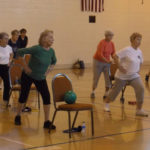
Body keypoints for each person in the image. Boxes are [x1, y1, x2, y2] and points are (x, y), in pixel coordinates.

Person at [14, 30, 57, 129]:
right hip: (28, 75)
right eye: (50, 37)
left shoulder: (51, 51)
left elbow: (54, 61)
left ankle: (46, 122)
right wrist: (25, 66)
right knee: (24, 95)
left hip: (41, 78)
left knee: (46, 97)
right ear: (44, 38)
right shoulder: (36, 49)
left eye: (52, 37)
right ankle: (18, 116)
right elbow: (19, 52)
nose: (53, 39)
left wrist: (47, 72)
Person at [104, 33, 148, 116]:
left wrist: (138, 70)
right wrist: (119, 66)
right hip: (122, 77)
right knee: (114, 93)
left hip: (134, 76)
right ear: (132, 40)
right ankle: (106, 103)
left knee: (141, 89)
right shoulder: (127, 50)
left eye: (140, 39)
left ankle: (139, 110)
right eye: (138, 39)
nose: (139, 41)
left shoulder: (139, 51)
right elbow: (115, 56)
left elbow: (140, 62)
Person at [91, 30, 116, 111]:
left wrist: (115, 59)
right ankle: (93, 91)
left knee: (108, 78)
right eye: (110, 35)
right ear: (106, 36)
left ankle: (106, 93)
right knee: (96, 78)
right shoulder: (102, 43)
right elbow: (99, 54)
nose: (111, 37)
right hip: (98, 62)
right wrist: (107, 61)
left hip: (107, 63)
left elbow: (113, 53)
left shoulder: (112, 43)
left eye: (112, 36)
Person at [0, 32, 13, 107]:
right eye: (5, 38)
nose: (7, 40)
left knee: (7, 84)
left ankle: (6, 100)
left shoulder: (9, 47)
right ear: (0, 39)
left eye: (7, 38)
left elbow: (11, 55)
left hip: (5, 67)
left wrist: (10, 61)